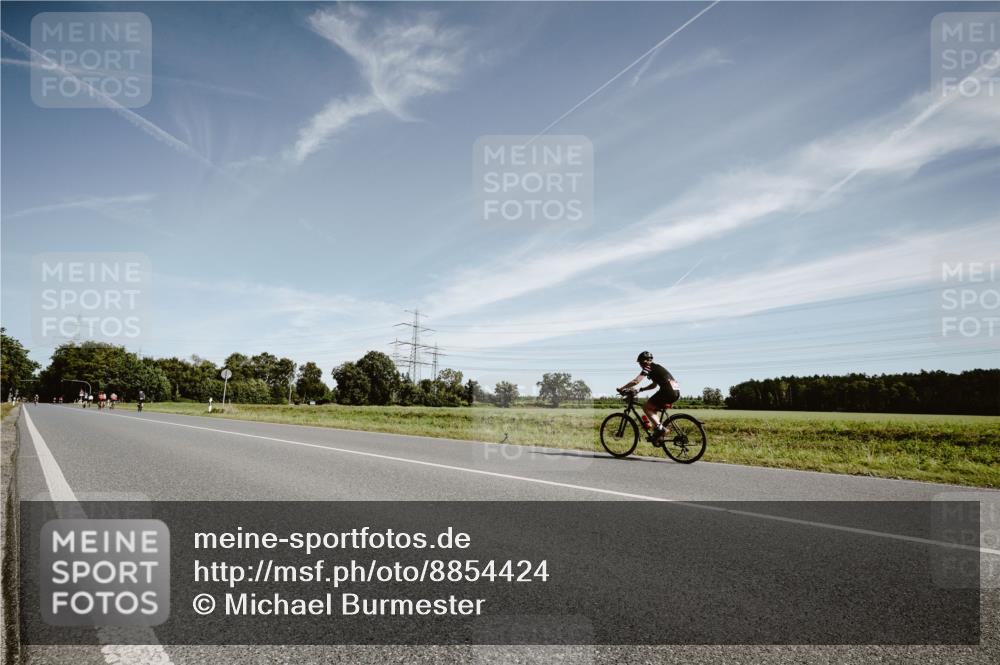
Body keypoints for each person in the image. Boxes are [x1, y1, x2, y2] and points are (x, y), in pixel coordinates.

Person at [617, 351, 681, 444]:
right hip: (675, 392)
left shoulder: (648, 367)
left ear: (644, 361)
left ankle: (662, 429)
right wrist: (640, 390)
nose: (640, 365)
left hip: (667, 391)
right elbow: (654, 385)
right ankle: (658, 436)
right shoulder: (656, 367)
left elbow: (636, 381)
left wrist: (622, 388)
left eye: (640, 363)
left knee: (646, 407)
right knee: (652, 409)